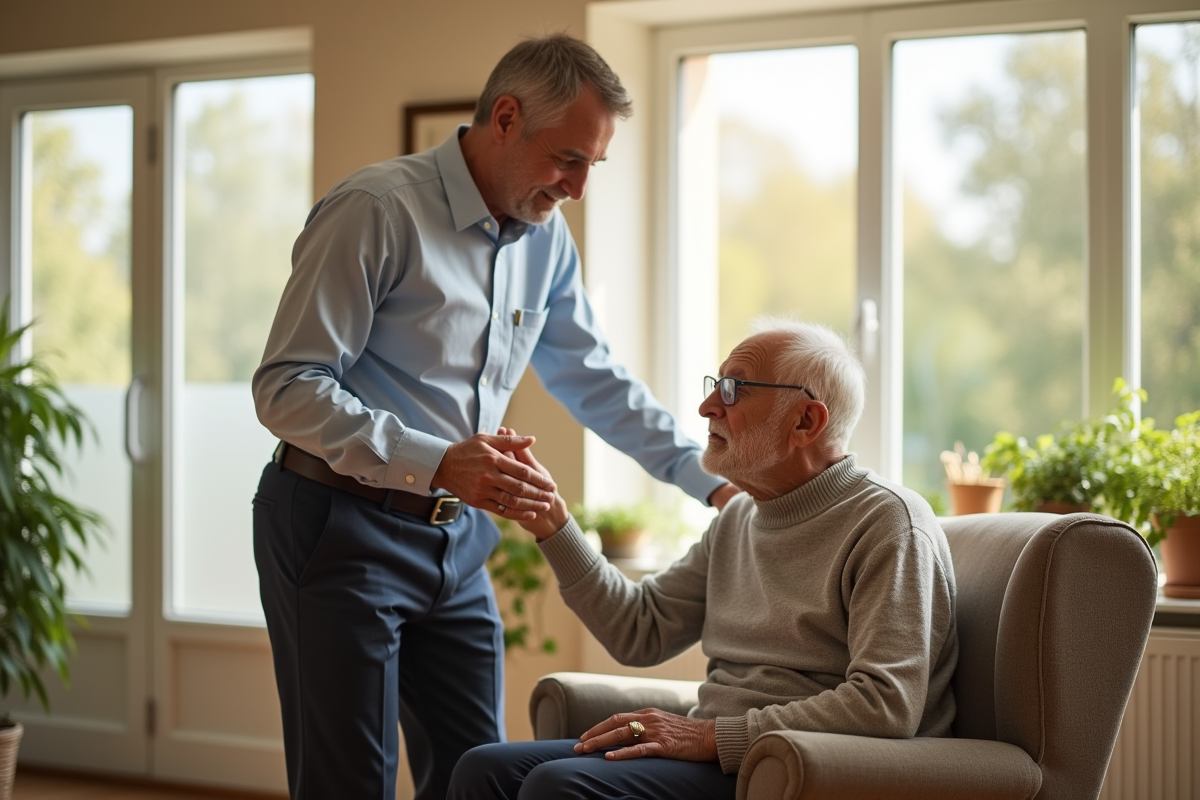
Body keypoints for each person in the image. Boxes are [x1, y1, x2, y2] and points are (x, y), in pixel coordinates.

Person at [250, 33, 737, 800]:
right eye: (568, 159)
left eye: (593, 166)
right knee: (350, 784)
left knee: (479, 775)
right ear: (506, 118)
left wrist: (712, 483)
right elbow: (286, 386)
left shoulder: (547, 242)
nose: (578, 188)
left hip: (459, 539)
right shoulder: (376, 210)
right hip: (338, 526)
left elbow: (597, 382)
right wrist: (438, 460)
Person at [447, 320, 959, 800]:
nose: (706, 406)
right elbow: (639, 629)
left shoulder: (889, 523)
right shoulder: (739, 517)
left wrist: (709, 735)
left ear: (805, 420)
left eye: (734, 390)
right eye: (716, 385)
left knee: (558, 785)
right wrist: (552, 520)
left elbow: (885, 703)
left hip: (793, 761)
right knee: (482, 767)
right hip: (718, 749)